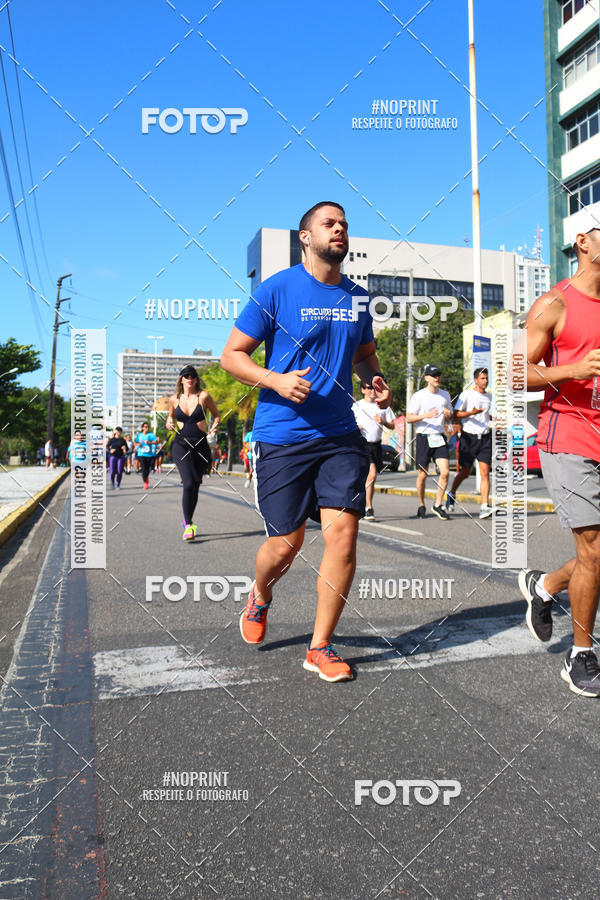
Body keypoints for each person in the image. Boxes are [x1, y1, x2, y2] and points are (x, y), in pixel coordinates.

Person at [221, 200, 391, 683]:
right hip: (283, 435)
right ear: (305, 237)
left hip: (339, 434)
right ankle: (261, 595)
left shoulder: (358, 298)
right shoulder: (276, 290)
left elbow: (364, 357)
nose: (339, 230)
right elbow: (232, 357)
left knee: (343, 533)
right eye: (328, 224)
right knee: (286, 545)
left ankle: (320, 646)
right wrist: (275, 381)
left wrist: (374, 380)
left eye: (344, 225)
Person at [522, 214, 600, 696]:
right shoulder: (555, 303)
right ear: (584, 241)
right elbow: (516, 374)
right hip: (567, 432)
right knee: (594, 546)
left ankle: (545, 587)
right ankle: (581, 655)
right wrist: (575, 367)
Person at [166, 366, 220, 541]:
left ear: (196, 379)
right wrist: (169, 422)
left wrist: (215, 426)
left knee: (196, 484)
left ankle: (188, 518)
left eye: (192, 376)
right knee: (188, 483)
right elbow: (171, 417)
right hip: (181, 445)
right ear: (181, 380)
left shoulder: (203, 396)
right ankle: (189, 525)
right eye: (186, 376)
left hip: (201, 445)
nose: (189, 378)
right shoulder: (174, 399)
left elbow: (216, 416)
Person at [445, 367, 494, 518]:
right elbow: (456, 414)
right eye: (482, 379)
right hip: (469, 437)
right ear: (475, 380)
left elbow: (485, 415)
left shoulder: (489, 396)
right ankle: (452, 494)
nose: (485, 381)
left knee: (485, 473)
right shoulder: (466, 394)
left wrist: (492, 419)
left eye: (486, 378)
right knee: (465, 473)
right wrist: (472, 413)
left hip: (485, 437)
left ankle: (485, 506)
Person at [406, 365, 453, 520]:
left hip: (439, 436)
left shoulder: (445, 395)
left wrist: (447, 414)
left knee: (445, 472)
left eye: (438, 375)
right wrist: (426, 415)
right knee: (422, 474)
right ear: (426, 378)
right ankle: (421, 504)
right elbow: (409, 418)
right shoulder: (419, 396)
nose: (437, 378)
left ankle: (438, 504)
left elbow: (450, 415)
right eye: (433, 375)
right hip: (424, 437)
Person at [352, 380, 395, 521]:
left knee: (370, 478)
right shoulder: (356, 406)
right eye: (369, 388)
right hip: (361, 444)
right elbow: (345, 423)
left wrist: (383, 422)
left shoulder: (382, 406)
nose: (372, 390)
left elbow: (393, 425)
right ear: (363, 390)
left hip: (376, 445)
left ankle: (362, 503)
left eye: (374, 388)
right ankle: (368, 508)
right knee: (371, 475)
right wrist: (355, 427)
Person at [134, 422, 158, 490]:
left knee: (148, 469)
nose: (146, 428)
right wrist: (138, 444)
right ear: (142, 428)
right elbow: (137, 442)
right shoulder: (139, 435)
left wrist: (149, 442)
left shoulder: (151, 435)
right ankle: (145, 483)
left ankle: (146, 478)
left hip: (149, 454)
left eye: (147, 427)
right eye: (145, 427)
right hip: (141, 454)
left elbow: (156, 442)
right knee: (144, 468)